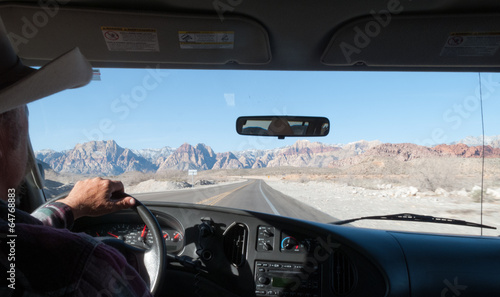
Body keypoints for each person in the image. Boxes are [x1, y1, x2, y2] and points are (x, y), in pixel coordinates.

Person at [0, 20, 151, 296]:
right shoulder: (82, 269)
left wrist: (71, 205)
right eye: (24, 112)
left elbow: (12, 235)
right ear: (2, 138)